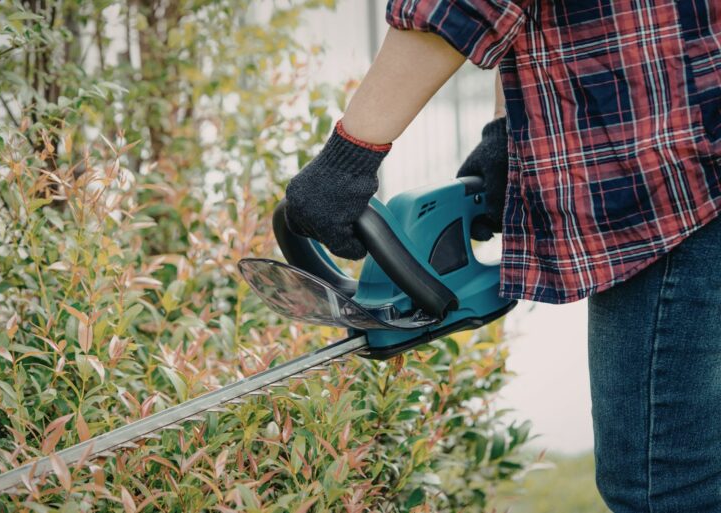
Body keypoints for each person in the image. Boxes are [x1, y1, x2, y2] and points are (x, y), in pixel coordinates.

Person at [284, 1, 721, 512]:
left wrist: (350, 157)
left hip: (673, 179)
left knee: (661, 485)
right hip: (694, 141)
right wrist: (507, 131)